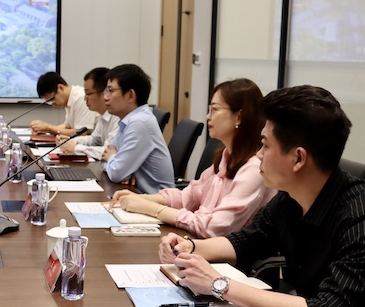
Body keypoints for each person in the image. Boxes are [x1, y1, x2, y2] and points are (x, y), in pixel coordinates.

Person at [159, 85, 365, 307]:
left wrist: (220, 285)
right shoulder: (290, 198)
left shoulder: (357, 216)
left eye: (265, 145)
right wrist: (190, 246)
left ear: (298, 158)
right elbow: (244, 241)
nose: (258, 155)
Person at [110, 78, 275, 238]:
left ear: (238, 116)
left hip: (224, 254)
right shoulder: (226, 158)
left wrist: (152, 208)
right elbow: (188, 196)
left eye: (215, 110)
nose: (208, 116)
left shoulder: (253, 170)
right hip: (199, 245)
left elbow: (213, 228)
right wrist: (142, 198)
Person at [101, 64, 174, 193]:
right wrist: (119, 165)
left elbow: (116, 172)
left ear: (130, 95)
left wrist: (113, 159)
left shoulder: (139, 122)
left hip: (156, 200)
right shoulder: (129, 120)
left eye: (110, 91)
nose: (105, 97)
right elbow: (106, 154)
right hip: (137, 193)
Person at [58, 67, 120, 159]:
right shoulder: (104, 116)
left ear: (104, 93)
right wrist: (70, 141)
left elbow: (108, 151)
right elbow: (93, 140)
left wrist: (76, 148)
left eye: (88, 94)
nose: (84, 99)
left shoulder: (118, 117)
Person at [30, 72, 98, 137]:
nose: (52, 104)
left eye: (52, 99)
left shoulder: (81, 97)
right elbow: (67, 126)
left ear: (60, 88)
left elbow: (81, 133)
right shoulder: (69, 99)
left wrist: (48, 128)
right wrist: (45, 130)